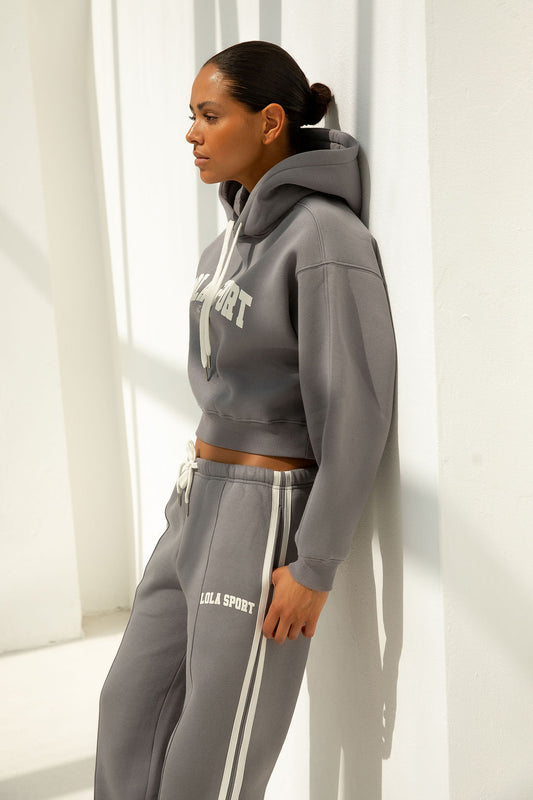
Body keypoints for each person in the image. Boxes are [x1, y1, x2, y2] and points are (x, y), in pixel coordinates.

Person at [94, 40, 396, 800]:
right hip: (197, 498)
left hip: (265, 512)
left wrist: (315, 562)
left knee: (213, 754)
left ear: (268, 122)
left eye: (209, 115)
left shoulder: (324, 238)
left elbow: (354, 408)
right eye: (191, 116)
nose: (191, 133)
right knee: (128, 709)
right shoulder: (223, 242)